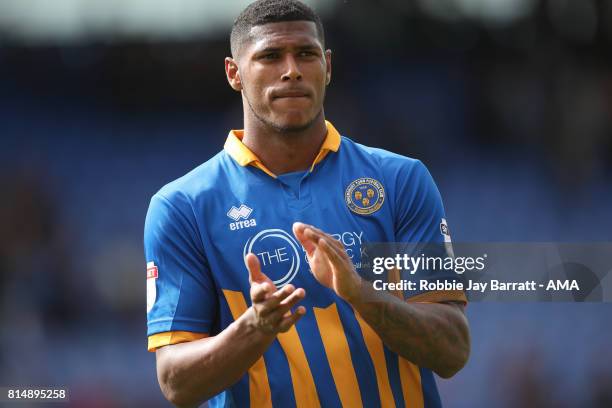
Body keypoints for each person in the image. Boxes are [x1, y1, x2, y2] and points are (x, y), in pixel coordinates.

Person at [144, 0, 470, 406]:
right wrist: (256, 327)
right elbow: (176, 382)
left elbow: (453, 349)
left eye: (305, 54)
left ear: (327, 67)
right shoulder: (183, 207)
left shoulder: (399, 179)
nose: (291, 69)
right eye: (269, 56)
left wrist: (362, 295)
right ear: (234, 73)